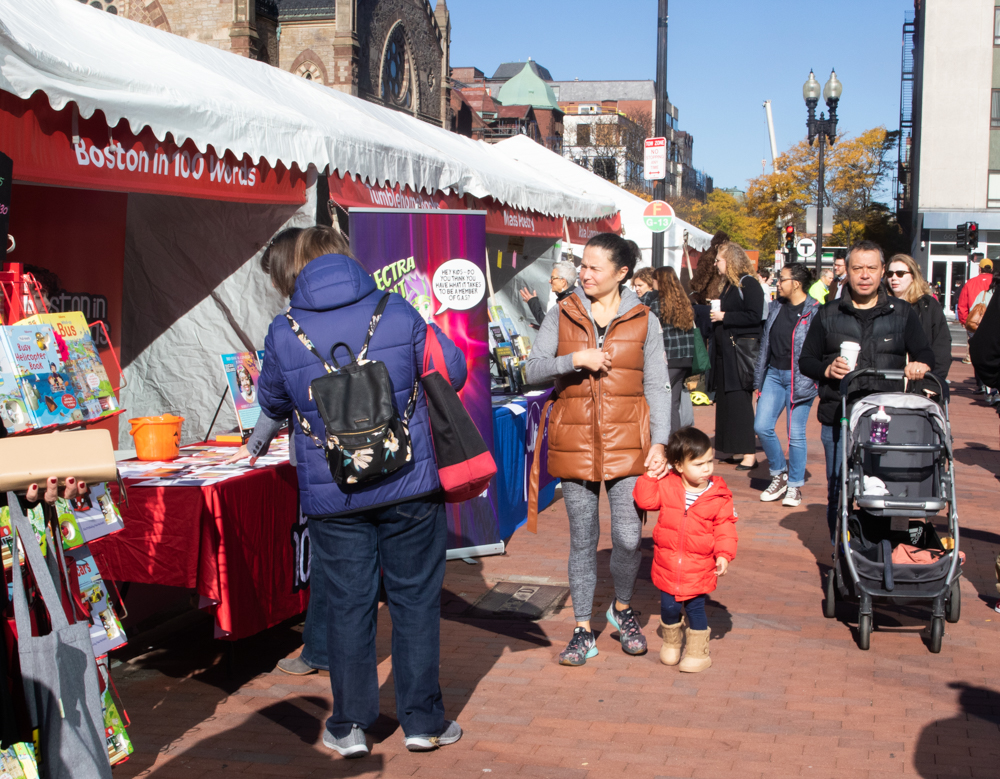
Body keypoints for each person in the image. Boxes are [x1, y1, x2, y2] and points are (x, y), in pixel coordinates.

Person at [258, 225, 468, 757]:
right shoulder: (398, 311)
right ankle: (423, 721)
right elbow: (455, 371)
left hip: (335, 493)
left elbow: (274, 400)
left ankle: (350, 725)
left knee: (349, 606)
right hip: (408, 483)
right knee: (415, 601)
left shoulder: (284, 329)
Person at [525, 232, 670, 666]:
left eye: (593, 267)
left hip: (630, 443)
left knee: (629, 538)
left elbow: (658, 386)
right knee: (583, 540)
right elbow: (532, 369)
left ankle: (622, 608)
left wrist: (660, 442)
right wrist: (575, 360)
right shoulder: (563, 312)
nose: (583, 274)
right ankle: (582, 628)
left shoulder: (645, 319)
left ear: (622, 273)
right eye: (582, 265)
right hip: (575, 444)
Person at [799, 240, 934, 539]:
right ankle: (841, 553)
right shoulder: (828, 313)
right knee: (840, 490)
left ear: (882, 272)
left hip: (887, 420)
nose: (864, 275)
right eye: (857, 268)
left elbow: (926, 353)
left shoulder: (902, 313)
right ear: (846, 271)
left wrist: (919, 365)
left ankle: (880, 549)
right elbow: (806, 360)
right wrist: (827, 369)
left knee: (885, 488)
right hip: (839, 415)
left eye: (871, 268)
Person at [632, 426, 737, 673]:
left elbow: (725, 528)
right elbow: (646, 501)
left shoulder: (718, 495)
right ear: (679, 466)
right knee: (668, 607)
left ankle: (698, 653)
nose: (707, 469)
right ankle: (672, 643)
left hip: (698, 567)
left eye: (709, 462)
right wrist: (649, 477)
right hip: (667, 565)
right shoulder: (669, 486)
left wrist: (723, 555)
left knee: (695, 609)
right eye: (699, 464)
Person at [752, 263, 820, 507]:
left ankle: (795, 485)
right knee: (762, 425)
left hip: (800, 377)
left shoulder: (814, 311)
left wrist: (815, 378)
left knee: (796, 434)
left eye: (782, 279)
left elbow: (819, 349)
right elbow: (765, 346)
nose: (777, 283)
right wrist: (757, 381)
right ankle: (779, 472)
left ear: (797, 283)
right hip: (773, 375)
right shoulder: (776, 307)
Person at [709, 241, 764, 470]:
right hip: (726, 351)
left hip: (738, 352)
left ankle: (749, 453)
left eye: (719, 260)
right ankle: (736, 447)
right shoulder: (731, 285)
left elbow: (755, 316)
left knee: (740, 401)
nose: (715, 264)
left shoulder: (748, 284)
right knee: (727, 401)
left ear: (730, 260)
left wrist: (724, 316)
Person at [886, 253, 952, 389]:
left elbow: (941, 346)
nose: (894, 278)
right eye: (890, 273)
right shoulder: (881, 305)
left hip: (919, 384)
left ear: (913, 276)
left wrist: (932, 384)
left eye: (900, 273)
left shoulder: (928, 306)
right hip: (887, 383)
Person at [644, 266, 696, 433]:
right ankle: (674, 441)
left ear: (660, 281)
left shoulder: (658, 303)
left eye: (654, 280)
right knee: (673, 402)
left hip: (668, 357)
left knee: (661, 401)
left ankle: (664, 440)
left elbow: (647, 323)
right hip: (685, 358)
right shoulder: (683, 301)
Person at [957, 258, 995, 392]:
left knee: (977, 351)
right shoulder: (995, 282)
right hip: (993, 323)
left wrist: (964, 320)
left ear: (980, 268)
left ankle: (981, 383)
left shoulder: (970, 283)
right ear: (991, 268)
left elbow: (962, 304)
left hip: (975, 322)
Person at [519, 260, 577, 327]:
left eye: (552, 278)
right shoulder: (572, 297)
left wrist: (532, 302)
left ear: (563, 282)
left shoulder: (571, 301)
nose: (549, 281)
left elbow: (550, 325)